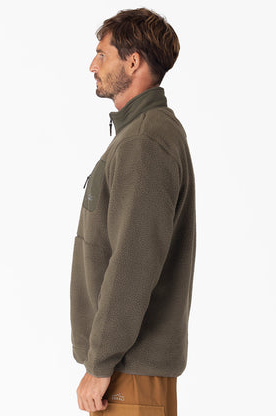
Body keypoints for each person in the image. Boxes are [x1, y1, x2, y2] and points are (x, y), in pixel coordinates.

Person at [70, 7, 196, 415]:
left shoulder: (145, 141)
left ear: (133, 62)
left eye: (102, 54)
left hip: (128, 369)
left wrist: (100, 362)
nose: (92, 65)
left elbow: (134, 260)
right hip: (127, 366)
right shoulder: (142, 135)